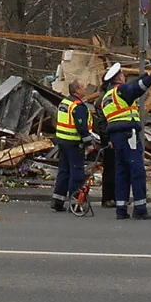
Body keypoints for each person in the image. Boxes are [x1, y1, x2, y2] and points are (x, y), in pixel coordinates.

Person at [100, 62, 151, 220]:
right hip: (129, 135)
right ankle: (140, 209)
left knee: (121, 173)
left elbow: (132, 87)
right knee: (137, 170)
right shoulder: (121, 91)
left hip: (116, 137)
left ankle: (121, 209)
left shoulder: (106, 98)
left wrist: (146, 76)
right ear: (119, 77)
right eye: (123, 76)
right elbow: (136, 89)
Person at [51, 79, 93, 212]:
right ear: (77, 90)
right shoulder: (78, 106)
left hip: (62, 141)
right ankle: (76, 204)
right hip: (74, 143)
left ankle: (58, 201)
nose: (85, 90)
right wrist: (89, 143)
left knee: (64, 171)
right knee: (77, 173)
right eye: (83, 87)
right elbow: (81, 127)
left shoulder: (64, 102)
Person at [90, 93, 116, 208]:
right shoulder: (106, 99)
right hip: (111, 140)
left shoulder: (104, 98)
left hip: (113, 138)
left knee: (113, 169)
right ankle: (109, 198)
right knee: (111, 168)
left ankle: (114, 197)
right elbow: (104, 123)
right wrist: (108, 139)